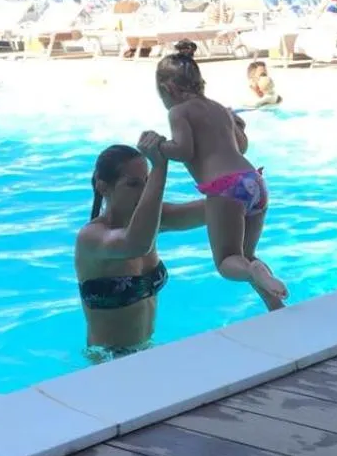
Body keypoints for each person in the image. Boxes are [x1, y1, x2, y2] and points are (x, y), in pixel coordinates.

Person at [155, 45, 287, 308]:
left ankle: (255, 272)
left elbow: (183, 150)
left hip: (225, 188)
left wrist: (159, 147)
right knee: (247, 255)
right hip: (254, 181)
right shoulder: (220, 109)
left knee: (227, 261)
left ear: (169, 88)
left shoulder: (178, 112)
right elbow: (241, 147)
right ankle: (276, 305)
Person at [74, 136, 208, 359]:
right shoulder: (91, 237)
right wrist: (159, 168)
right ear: (103, 186)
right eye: (134, 184)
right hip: (108, 360)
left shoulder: (156, 220)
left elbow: (217, 209)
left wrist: (227, 162)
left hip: (147, 351)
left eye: (148, 181)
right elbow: (136, 244)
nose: (146, 192)